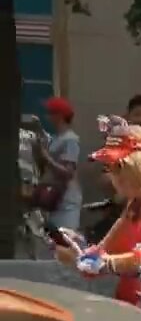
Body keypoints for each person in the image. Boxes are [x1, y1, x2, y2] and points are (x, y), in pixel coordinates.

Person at [55, 121, 141, 318]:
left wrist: (102, 263)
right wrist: (76, 251)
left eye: (116, 167)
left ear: (140, 166)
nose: (111, 176)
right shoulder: (136, 203)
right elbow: (102, 254)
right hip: (132, 310)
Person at [34, 97, 82, 232]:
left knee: (65, 238)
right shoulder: (56, 138)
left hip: (66, 200)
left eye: (50, 113)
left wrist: (46, 158)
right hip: (52, 199)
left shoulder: (70, 140)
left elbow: (68, 172)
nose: (47, 116)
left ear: (59, 116)